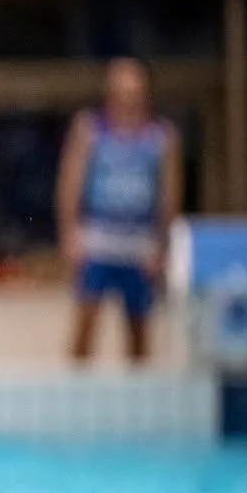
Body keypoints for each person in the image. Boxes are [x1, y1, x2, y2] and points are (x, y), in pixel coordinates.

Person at [57, 58, 181, 365]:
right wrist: (69, 232)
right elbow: (70, 183)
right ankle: (73, 396)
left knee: (138, 331)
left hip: (139, 242)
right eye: (120, 90)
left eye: (133, 90)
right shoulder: (89, 129)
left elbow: (170, 196)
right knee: (84, 325)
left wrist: (164, 245)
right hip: (98, 237)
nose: (127, 97)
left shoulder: (160, 136)